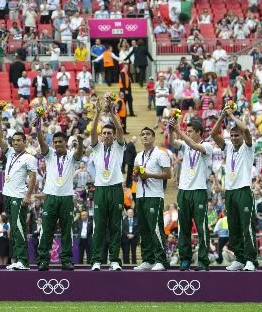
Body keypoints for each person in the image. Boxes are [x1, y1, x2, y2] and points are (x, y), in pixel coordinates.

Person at [212, 109, 258, 271]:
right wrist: (221, 117)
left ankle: (251, 259)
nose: (233, 138)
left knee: (247, 226)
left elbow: (245, 129)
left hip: (244, 190)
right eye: (231, 135)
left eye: (236, 135)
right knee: (233, 227)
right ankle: (239, 258)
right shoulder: (228, 148)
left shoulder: (248, 147)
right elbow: (213, 134)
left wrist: (231, 115)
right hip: (230, 191)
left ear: (242, 136)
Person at [35, 126, 84, 271]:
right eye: (55, 142)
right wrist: (38, 128)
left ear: (65, 142)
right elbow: (42, 142)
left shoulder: (71, 156)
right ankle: (43, 260)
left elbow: (79, 153)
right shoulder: (49, 154)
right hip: (50, 197)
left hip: (66, 197)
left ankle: (66, 260)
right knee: (46, 230)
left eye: (60, 142)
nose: (57, 144)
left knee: (67, 231)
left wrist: (80, 142)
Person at [169, 119, 213, 271]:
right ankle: (185, 259)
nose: (187, 134)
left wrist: (179, 130)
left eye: (190, 131)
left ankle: (203, 261)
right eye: (186, 131)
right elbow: (173, 142)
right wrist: (171, 130)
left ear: (199, 132)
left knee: (201, 228)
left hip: (199, 190)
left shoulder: (207, 146)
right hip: (183, 191)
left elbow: (194, 146)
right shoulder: (185, 145)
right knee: (184, 227)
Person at [88, 98, 127, 271]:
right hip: (100, 189)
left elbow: (120, 129)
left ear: (113, 135)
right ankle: (97, 260)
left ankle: (114, 260)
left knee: (115, 226)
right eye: (104, 133)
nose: (106, 135)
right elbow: (92, 132)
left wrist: (111, 112)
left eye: (109, 133)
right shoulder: (97, 148)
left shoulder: (119, 147)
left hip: (116, 188)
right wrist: (97, 113)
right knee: (99, 226)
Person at [0, 112, 37, 270]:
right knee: (14, 228)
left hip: (19, 197)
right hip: (8, 195)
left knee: (19, 228)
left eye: (19, 140)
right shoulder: (10, 153)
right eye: (13, 141)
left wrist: (28, 196)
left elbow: (33, 178)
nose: (16, 143)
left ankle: (23, 261)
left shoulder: (29, 158)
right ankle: (18, 259)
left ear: (25, 142)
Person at [132, 127, 172, 271]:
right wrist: (135, 175)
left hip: (154, 195)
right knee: (143, 229)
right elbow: (135, 177)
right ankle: (148, 259)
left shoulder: (160, 154)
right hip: (140, 195)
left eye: (148, 134)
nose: (145, 136)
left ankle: (161, 260)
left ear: (154, 138)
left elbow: (168, 175)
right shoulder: (138, 156)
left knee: (155, 228)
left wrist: (149, 175)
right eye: (142, 134)